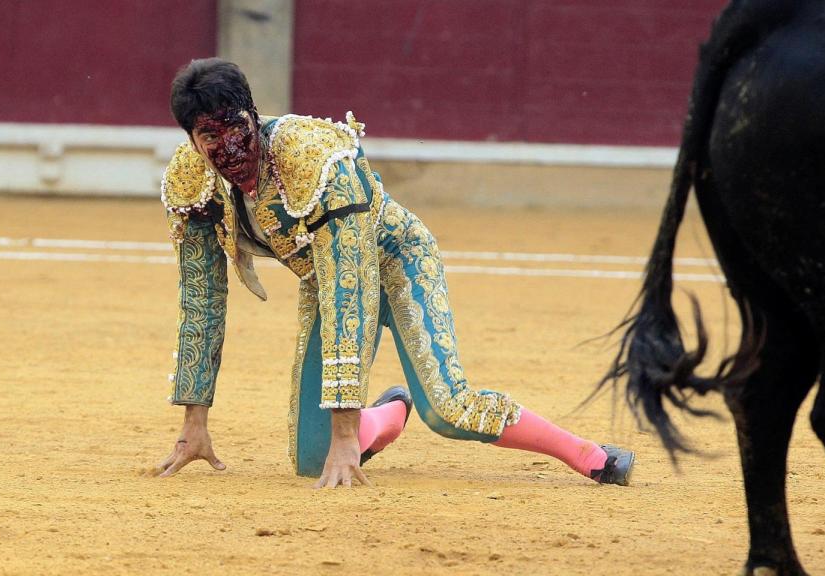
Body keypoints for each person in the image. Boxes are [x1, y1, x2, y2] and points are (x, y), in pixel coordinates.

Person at [156, 58, 635, 488]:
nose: (229, 146)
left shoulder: (312, 157)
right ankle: (388, 415)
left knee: (447, 409)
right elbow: (202, 300)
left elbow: (350, 291)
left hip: (396, 261)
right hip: (326, 278)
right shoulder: (192, 181)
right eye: (210, 136)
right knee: (312, 459)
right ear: (192, 141)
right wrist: (194, 424)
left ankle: (587, 454)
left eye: (235, 127)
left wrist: (346, 435)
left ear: (254, 116)